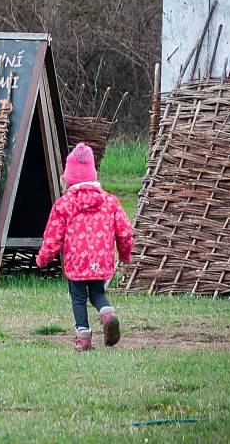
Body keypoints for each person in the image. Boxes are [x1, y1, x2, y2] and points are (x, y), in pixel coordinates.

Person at [36, 142, 133, 351]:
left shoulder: (64, 204)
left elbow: (52, 237)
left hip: (76, 263)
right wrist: (125, 255)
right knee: (97, 293)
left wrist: (42, 258)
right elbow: (125, 232)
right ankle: (107, 314)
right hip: (101, 261)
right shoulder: (110, 201)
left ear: (68, 178)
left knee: (78, 298)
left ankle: (84, 338)